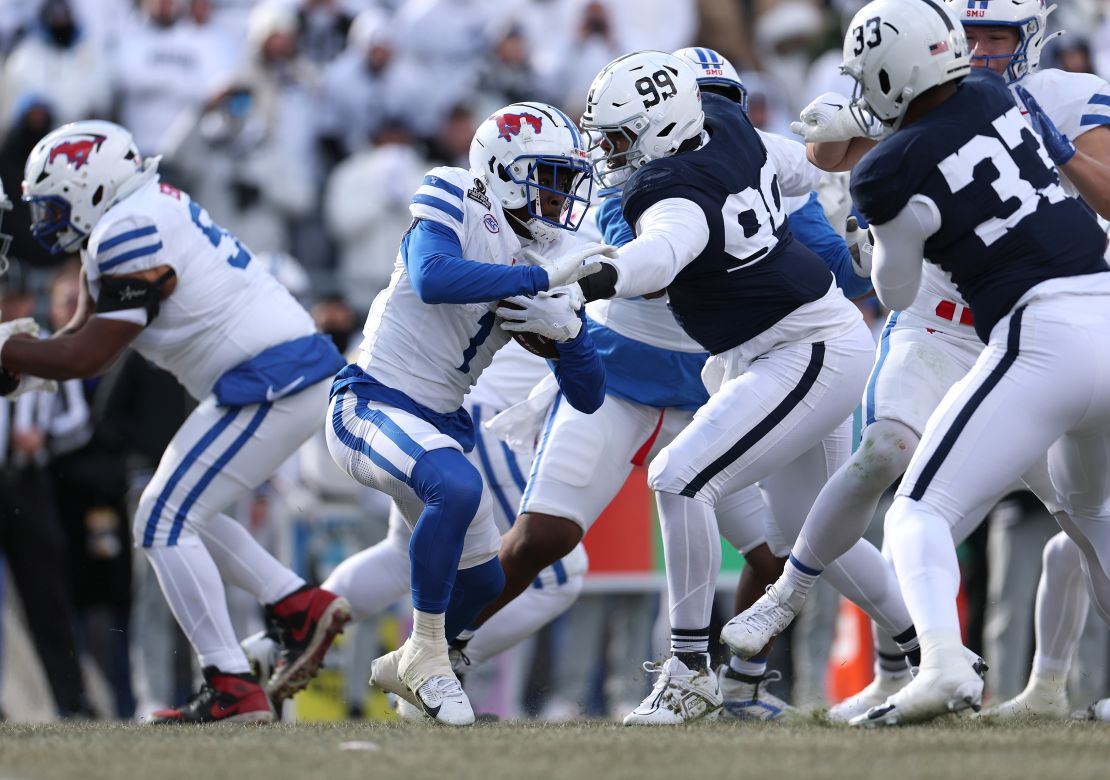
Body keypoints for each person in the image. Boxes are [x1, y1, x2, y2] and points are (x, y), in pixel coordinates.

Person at [723, 0, 1110, 723]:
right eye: (975, 37)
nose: (989, 51)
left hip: (1027, 329)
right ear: (944, 44)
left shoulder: (1052, 94)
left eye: (1002, 35)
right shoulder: (953, 91)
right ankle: (804, 603)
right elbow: (827, 150)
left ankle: (1035, 683)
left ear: (1034, 36)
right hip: (948, 323)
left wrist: (1053, 145)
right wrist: (856, 132)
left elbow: (885, 262)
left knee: (1062, 521)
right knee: (885, 454)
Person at [0, 119, 352, 723]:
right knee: (185, 509)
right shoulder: (127, 216)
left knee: (162, 519)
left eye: (56, 204)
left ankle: (231, 683)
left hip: (271, 380)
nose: (47, 220)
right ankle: (297, 605)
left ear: (90, 187)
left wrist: (8, 352)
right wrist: (23, 364)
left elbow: (89, 356)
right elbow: (75, 339)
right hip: (271, 376)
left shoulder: (128, 229)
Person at [561, 51, 876, 725]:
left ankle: (690, 673)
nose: (608, 153)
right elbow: (805, 165)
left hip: (802, 347)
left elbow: (659, 254)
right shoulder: (734, 133)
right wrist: (856, 157)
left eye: (617, 138)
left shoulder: (670, 188)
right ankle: (920, 654)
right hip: (782, 348)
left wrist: (583, 284)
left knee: (683, 481)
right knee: (806, 526)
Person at [324, 101, 610, 726]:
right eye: (551, 177)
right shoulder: (455, 194)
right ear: (505, 170)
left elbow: (588, 395)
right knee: (455, 487)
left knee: (483, 587)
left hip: (441, 421)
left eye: (567, 180)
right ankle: (425, 657)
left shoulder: (551, 254)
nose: (562, 197)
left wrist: (571, 335)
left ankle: (412, 658)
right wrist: (531, 282)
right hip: (371, 399)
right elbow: (432, 276)